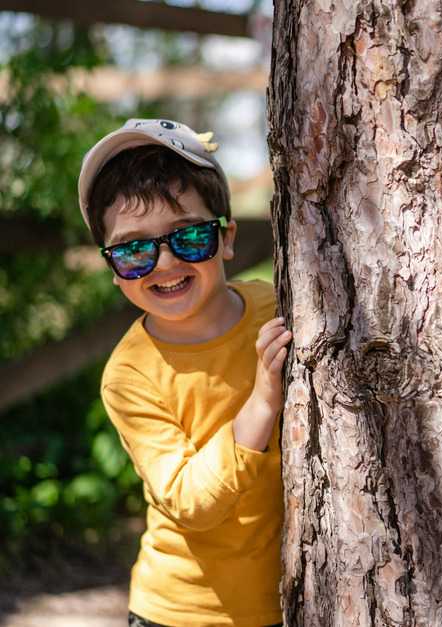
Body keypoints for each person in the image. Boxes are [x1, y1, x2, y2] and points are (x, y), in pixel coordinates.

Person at [77, 119, 291, 627]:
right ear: (113, 268)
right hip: (180, 613)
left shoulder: (277, 306)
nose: (165, 262)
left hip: (285, 601)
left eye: (189, 236)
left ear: (227, 238)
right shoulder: (130, 374)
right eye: (134, 250)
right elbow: (188, 500)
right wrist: (261, 402)